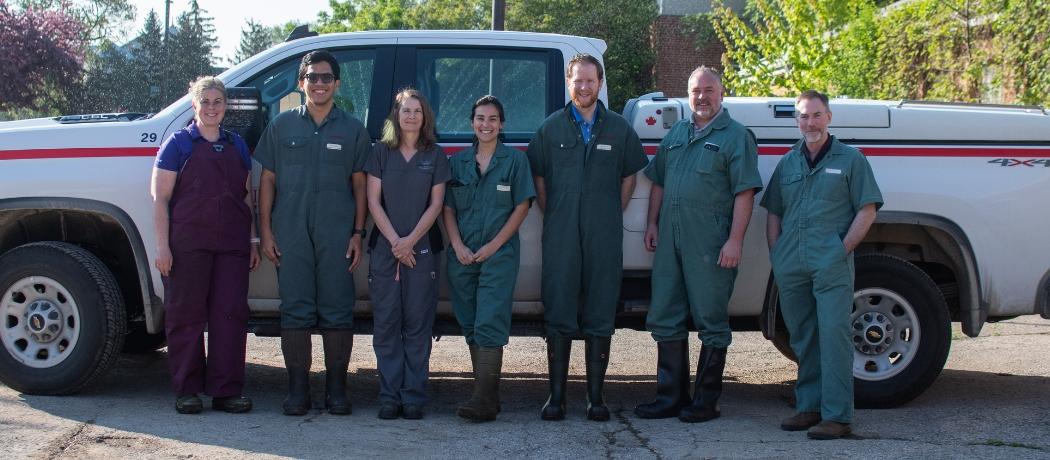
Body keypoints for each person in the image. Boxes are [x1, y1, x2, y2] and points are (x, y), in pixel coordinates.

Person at [634, 67, 763, 423]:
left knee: (710, 317)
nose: (702, 97)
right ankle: (670, 397)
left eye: (709, 89)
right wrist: (651, 224)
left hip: (710, 241)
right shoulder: (677, 132)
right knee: (664, 314)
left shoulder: (736, 137)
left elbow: (745, 192)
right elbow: (658, 180)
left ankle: (706, 401)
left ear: (721, 93)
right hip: (670, 241)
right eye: (695, 91)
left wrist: (735, 240)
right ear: (688, 95)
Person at [526, 54, 648, 422]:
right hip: (560, 233)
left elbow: (630, 175)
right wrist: (559, 212)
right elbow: (540, 180)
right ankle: (557, 398)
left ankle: (597, 399)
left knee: (600, 312)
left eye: (590, 81)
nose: (584, 87)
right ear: (569, 83)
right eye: (577, 81)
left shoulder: (619, 128)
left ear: (600, 83)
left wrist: (611, 209)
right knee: (559, 308)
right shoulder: (550, 128)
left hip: (603, 233)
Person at [760, 90, 883, 440]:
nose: (809, 122)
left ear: (828, 117)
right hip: (792, 263)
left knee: (834, 335)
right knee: (803, 335)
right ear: (796, 121)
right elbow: (773, 211)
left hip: (830, 262)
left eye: (816, 115)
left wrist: (841, 249)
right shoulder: (788, 162)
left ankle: (838, 416)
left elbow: (867, 208)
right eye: (803, 116)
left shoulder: (850, 160)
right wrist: (777, 252)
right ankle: (809, 407)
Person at [255, 50, 371, 416]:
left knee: (338, 308)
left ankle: (337, 390)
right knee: (295, 308)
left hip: (338, 231)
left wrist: (357, 233)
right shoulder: (281, 125)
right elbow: (267, 181)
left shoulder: (353, 129)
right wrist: (266, 231)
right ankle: (298, 390)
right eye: (312, 77)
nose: (319, 83)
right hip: (289, 230)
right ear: (300, 83)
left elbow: (360, 186)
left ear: (337, 83)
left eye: (326, 77)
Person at [151, 76, 260, 414]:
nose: (212, 108)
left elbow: (247, 196)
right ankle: (187, 390)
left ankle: (227, 391)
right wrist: (162, 248)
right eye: (206, 102)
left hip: (232, 242)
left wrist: (253, 239)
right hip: (187, 244)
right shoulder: (178, 144)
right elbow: (160, 199)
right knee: (186, 316)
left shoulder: (237, 145)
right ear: (194, 105)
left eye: (218, 102)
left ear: (225, 106)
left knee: (230, 314)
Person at [444, 96, 535, 422]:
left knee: (489, 323)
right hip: (463, 256)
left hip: (499, 255)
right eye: (481, 118)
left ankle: (481, 400)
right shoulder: (457, 163)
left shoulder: (514, 161)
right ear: (472, 123)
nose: (486, 124)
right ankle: (488, 395)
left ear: (502, 124)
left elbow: (521, 206)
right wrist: (457, 245)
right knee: (469, 323)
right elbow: (448, 208)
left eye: (493, 119)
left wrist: (495, 245)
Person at [365, 88, 450, 420]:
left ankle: (413, 396)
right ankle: (389, 396)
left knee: (417, 325)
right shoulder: (380, 153)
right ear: (395, 117)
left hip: (422, 250)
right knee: (387, 325)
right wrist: (396, 244)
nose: (411, 116)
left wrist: (410, 241)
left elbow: (437, 204)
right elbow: (373, 202)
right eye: (405, 111)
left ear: (425, 116)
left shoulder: (436, 156)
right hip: (386, 250)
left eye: (417, 111)